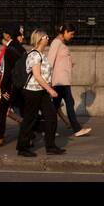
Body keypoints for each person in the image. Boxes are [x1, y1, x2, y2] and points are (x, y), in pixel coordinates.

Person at [15, 28, 65, 158]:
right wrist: (50, 90)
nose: (48, 39)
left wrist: (48, 87)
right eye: (46, 37)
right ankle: (22, 147)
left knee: (51, 116)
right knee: (29, 120)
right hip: (32, 91)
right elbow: (37, 75)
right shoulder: (34, 55)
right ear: (40, 39)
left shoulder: (42, 55)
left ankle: (50, 146)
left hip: (41, 91)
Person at [0, 24, 26, 148]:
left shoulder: (9, 49)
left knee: (2, 110)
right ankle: (28, 135)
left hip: (11, 86)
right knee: (21, 110)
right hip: (20, 85)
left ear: (8, 35)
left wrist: (4, 89)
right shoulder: (21, 49)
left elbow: (7, 71)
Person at [47, 23, 92, 137]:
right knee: (69, 102)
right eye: (71, 34)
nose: (72, 36)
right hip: (59, 81)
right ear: (65, 32)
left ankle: (46, 128)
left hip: (62, 80)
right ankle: (76, 128)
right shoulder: (56, 43)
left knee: (55, 106)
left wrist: (68, 63)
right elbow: (50, 62)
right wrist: (48, 80)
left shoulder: (60, 43)